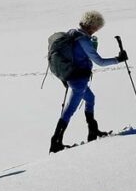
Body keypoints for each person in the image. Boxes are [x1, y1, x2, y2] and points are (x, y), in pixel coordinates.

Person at [49, 11, 128, 153]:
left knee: (90, 99)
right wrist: (118, 59)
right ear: (91, 25)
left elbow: (79, 55)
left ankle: (93, 131)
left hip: (74, 77)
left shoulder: (73, 34)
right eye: (96, 27)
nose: (96, 30)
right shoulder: (83, 40)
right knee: (70, 110)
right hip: (78, 79)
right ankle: (56, 142)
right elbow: (100, 62)